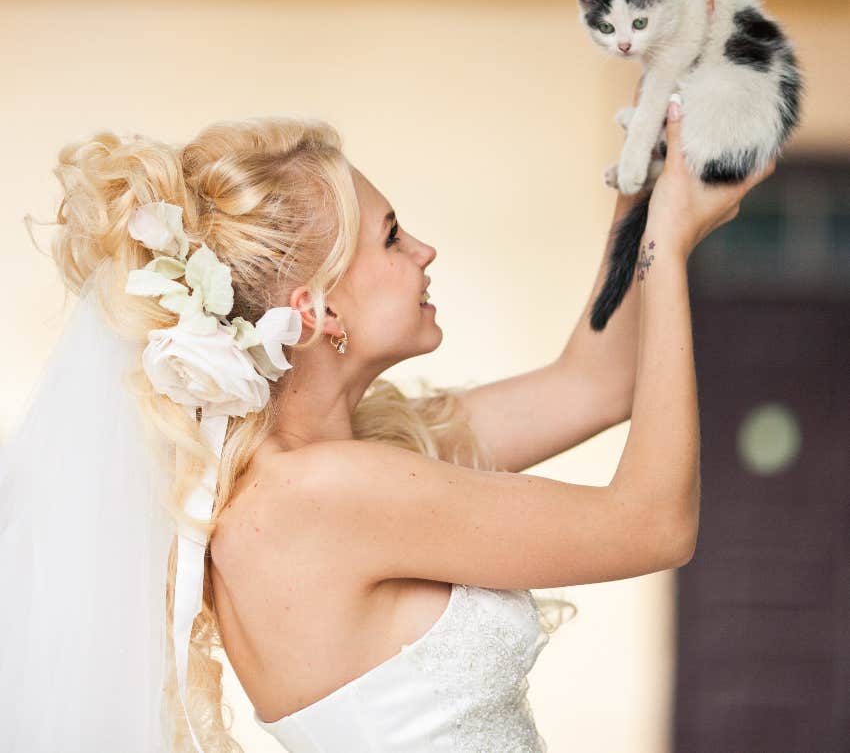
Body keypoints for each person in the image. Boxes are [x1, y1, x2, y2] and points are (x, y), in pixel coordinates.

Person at [1, 80, 774, 751]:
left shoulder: (353, 460)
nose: (424, 251)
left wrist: (637, 198)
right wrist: (666, 250)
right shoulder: (315, 498)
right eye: (392, 237)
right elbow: (654, 525)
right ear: (318, 308)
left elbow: (594, 384)